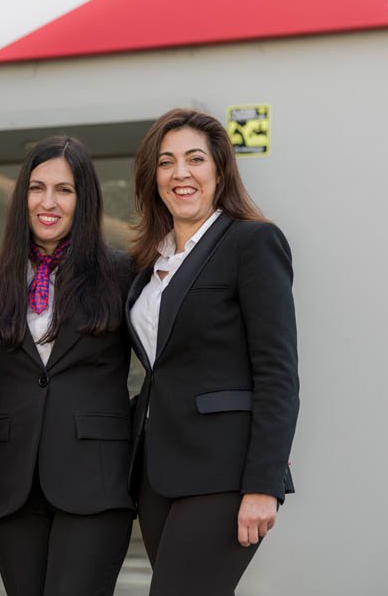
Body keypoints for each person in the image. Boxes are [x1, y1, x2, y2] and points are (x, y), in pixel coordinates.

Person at [126, 108, 299, 596]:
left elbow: (277, 372)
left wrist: (264, 483)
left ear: (220, 170)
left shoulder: (252, 242)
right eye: (166, 162)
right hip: (159, 474)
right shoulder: (151, 262)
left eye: (195, 159)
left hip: (225, 472)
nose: (181, 173)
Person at [0, 136, 135, 596]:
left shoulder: (122, 273)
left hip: (96, 481)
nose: (48, 202)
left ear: (85, 200)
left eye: (64, 189)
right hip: (12, 483)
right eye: (37, 188)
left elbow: (168, 365)